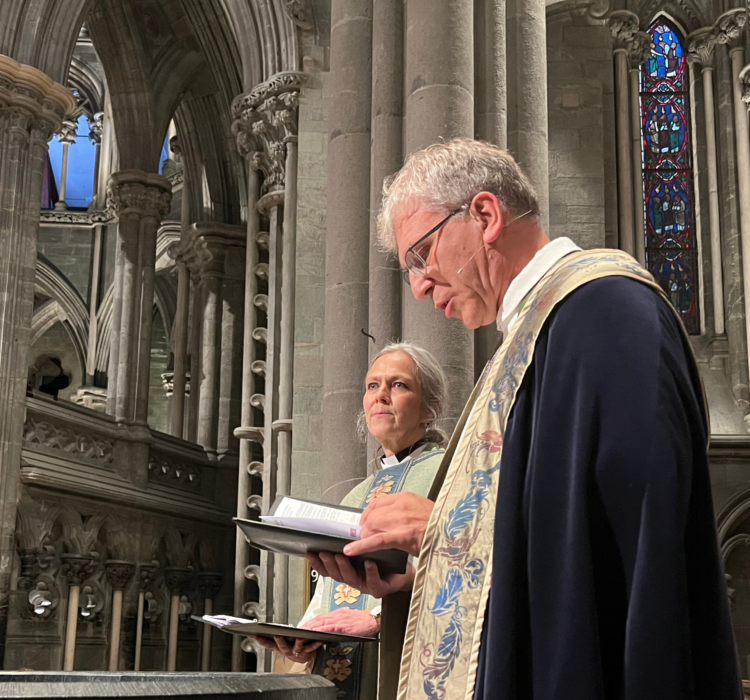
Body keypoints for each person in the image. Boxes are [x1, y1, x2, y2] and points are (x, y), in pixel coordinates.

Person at [312, 138, 741, 700]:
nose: (418, 285)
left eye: (422, 254)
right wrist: (421, 570)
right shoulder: (525, 342)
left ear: (485, 216)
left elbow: (633, 543)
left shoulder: (607, 313)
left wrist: (446, 530)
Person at [256, 342, 448, 700]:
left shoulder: (449, 475)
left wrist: (378, 620)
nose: (381, 395)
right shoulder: (354, 495)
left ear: (429, 408)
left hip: (406, 663)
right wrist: (305, 636)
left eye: (399, 384)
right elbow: (327, 591)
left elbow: (465, 566)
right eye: (372, 385)